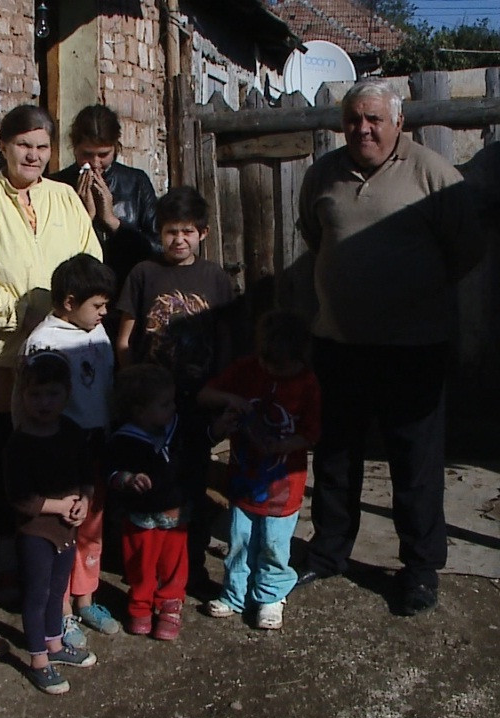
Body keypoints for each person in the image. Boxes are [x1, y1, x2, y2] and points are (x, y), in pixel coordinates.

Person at [292, 78, 484, 617]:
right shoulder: (322, 175)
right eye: (354, 119)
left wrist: (411, 290)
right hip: (339, 344)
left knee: (415, 462)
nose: (363, 128)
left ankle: (420, 571)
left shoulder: (435, 175)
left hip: (413, 347)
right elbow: (315, 235)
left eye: (374, 118)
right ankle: (329, 553)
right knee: (335, 455)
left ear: (399, 121)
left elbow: (466, 249)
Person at [0, 104, 103, 601]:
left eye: (41, 147)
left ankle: (61, 571)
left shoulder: (64, 198)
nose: (33, 156)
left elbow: (88, 260)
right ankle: (6, 565)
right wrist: (24, 314)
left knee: (58, 456)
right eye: (23, 146)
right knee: (0, 460)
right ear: (3, 145)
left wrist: (61, 313)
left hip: (61, 351)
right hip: (3, 354)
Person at [114, 185, 234, 594]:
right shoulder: (143, 274)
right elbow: (125, 338)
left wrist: (222, 394)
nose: (178, 240)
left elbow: (225, 342)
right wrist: (129, 391)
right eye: (170, 232)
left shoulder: (216, 278)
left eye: (187, 232)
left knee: (193, 485)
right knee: (146, 485)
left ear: (203, 233)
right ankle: (143, 571)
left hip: (197, 403)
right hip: (149, 407)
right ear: (159, 232)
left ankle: (191, 567)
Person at [18, 253, 120, 648]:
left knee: (91, 525)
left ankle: (86, 598)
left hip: (95, 446)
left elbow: (105, 385)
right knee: (62, 533)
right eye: (97, 305)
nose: (104, 312)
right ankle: (59, 615)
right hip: (60, 453)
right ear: (69, 302)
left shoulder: (96, 331)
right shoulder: (43, 342)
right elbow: (26, 402)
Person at [196, 309, 321, 631]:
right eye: (269, 364)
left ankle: (270, 596)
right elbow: (205, 394)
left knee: (274, 546)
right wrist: (232, 401)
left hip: (284, 487)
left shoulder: (307, 383)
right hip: (242, 480)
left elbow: (313, 433)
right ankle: (235, 594)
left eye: (283, 367)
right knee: (239, 540)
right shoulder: (246, 370)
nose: (274, 372)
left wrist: (283, 445)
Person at [104, 364, 237, 641]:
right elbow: (111, 470)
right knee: (139, 562)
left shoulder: (179, 426)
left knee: (174, 563)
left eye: (172, 401)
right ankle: (140, 604)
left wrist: (218, 430)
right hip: (139, 516)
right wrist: (127, 479)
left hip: (176, 513)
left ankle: (169, 604)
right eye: (164, 404)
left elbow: (201, 442)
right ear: (139, 411)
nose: (172, 408)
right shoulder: (123, 438)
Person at [4, 350, 99, 695]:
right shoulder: (20, 443)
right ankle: (38, 660)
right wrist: (61, 505)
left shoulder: (72, 432)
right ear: (22, 396)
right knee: (37, 593)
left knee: (57, 590)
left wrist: (85, 502)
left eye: (53, 393)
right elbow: (20, 498)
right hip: (36, 532)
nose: (44, 402)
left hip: (67, 530)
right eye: (35, 394)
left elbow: (87, 474)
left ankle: (55, 646)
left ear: (67, 393)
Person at [50, 104, 159, 294]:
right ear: (74, 148)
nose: (95, 163)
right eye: (87, 154)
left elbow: (159, 246)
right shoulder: (56, 185)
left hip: (128, 292)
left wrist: (112, 221)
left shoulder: (135, 182)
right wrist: (82, 217)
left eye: (103, 155)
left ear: (115, 148)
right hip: (78, 294)